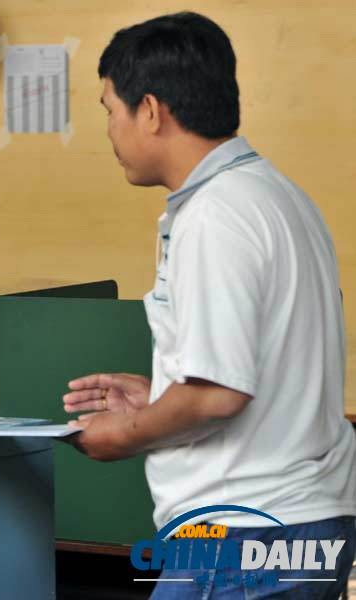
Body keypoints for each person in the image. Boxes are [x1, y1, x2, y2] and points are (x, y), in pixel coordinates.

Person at [61, 12, 356, 598]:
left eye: (109, 111)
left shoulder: (215, 215)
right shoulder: (276, 196)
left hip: (244, 536)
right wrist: (167, 391)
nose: (110, 131)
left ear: (149, 110)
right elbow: (254, 371)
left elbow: (220, 394)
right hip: (304, 521)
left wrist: (125, 434)